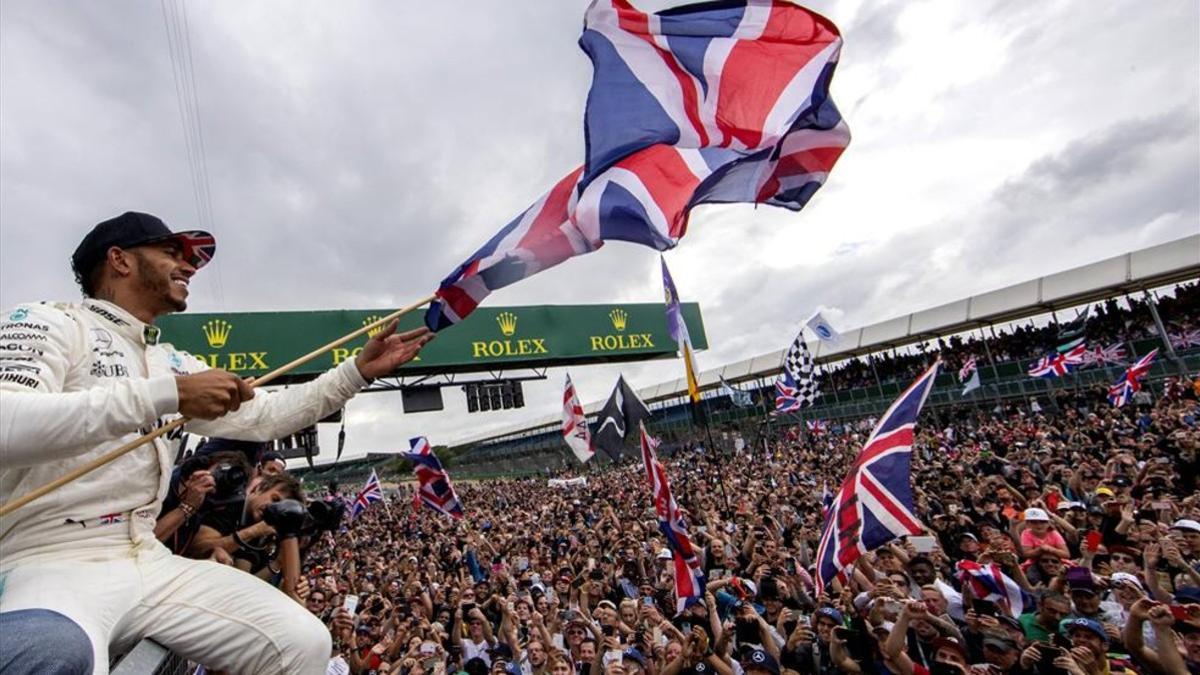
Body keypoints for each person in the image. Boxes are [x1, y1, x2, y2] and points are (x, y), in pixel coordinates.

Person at [0, 212, 432, 673]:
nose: (188, 267)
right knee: (51, 654)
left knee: (303, 641)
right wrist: (168, 395)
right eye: (171, 252)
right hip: (46, 559)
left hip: (146, 557)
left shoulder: (166, 359)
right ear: (119, 260)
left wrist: (356, 372)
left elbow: (267, 415)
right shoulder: (48, 322)